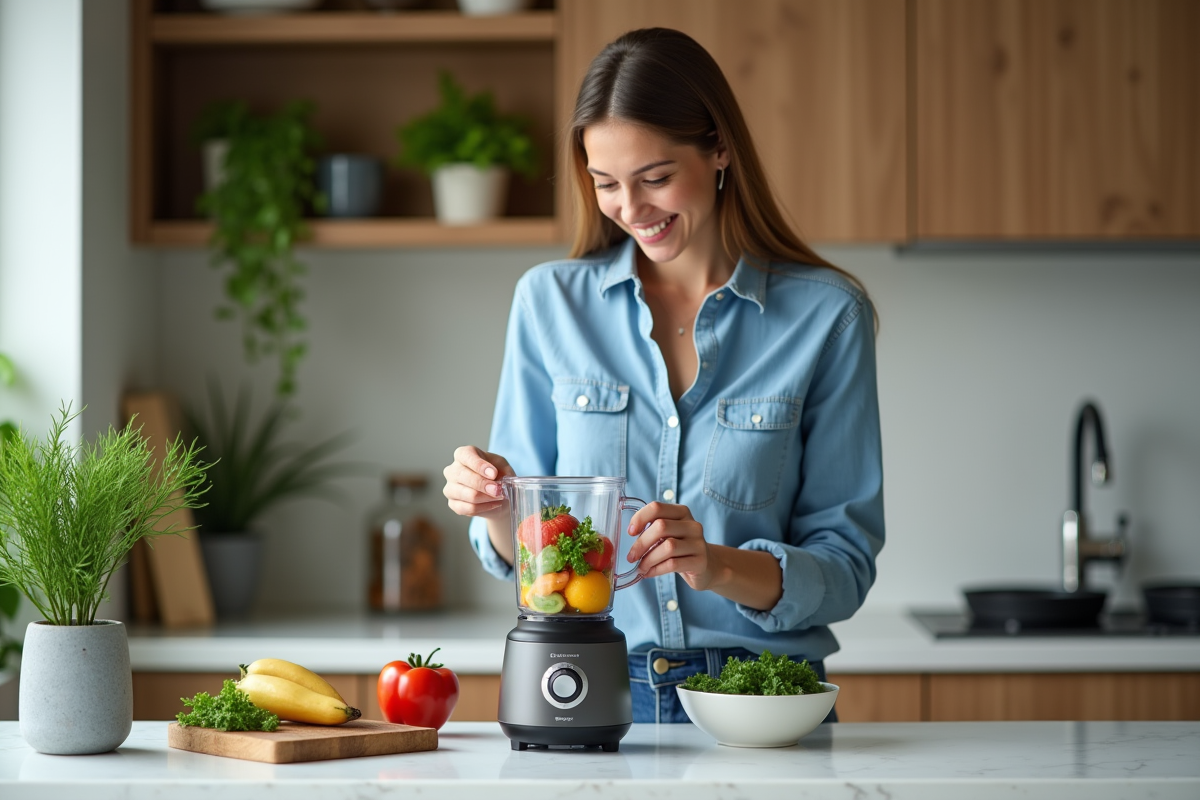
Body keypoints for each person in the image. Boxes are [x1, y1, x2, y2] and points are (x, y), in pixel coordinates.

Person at [442, 27, 884, 724]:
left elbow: (845, 569)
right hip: (589, 693)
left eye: (654, 178)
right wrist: (498, 504)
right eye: (606, 184)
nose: (631, 209)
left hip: (763, 703)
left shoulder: (827, 316)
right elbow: (528, 557)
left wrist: (717, 564)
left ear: (719, 149)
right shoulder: (549, 302)